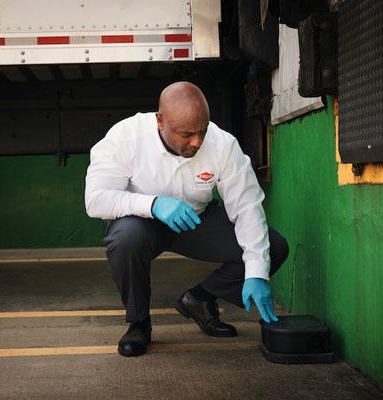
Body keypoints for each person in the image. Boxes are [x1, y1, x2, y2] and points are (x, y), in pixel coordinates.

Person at [85, 81, 289, 357]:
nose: (196, 142)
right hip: (140, 223)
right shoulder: (124, 138)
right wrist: (153, 204)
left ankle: (199, 299)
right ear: (160, 121)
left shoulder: (222, 145)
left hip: (195, 220)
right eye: (186, 134)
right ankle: (138, 323)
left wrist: (256, 273)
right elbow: (95, 200)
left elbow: (247, 207)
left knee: (272, 248)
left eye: (202, 132)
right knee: (126, 238)